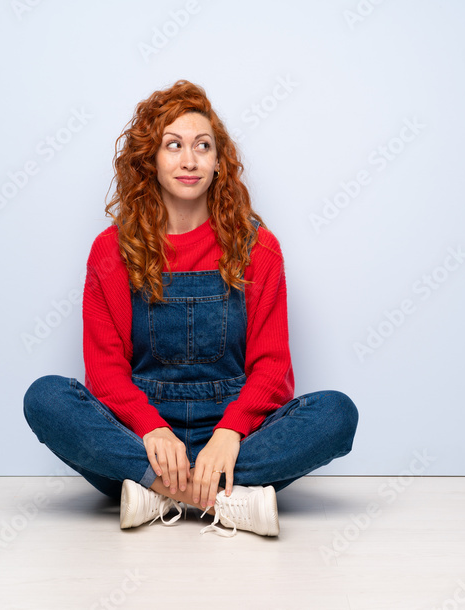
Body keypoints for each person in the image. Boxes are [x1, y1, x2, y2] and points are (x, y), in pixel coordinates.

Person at [23, 80, 359, 537]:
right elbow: (104, 371)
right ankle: (221, 498)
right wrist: (150, 429)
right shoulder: (111, 251)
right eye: (173, 145)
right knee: (45, 398)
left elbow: (273, 367)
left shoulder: (257, 247)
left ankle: (153, 494)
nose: (189, 159)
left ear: (219, 162)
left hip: (234, 438)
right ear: (151, 161)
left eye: (202, 146)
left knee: (337, 414)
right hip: (142, 438)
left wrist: (230, 432)